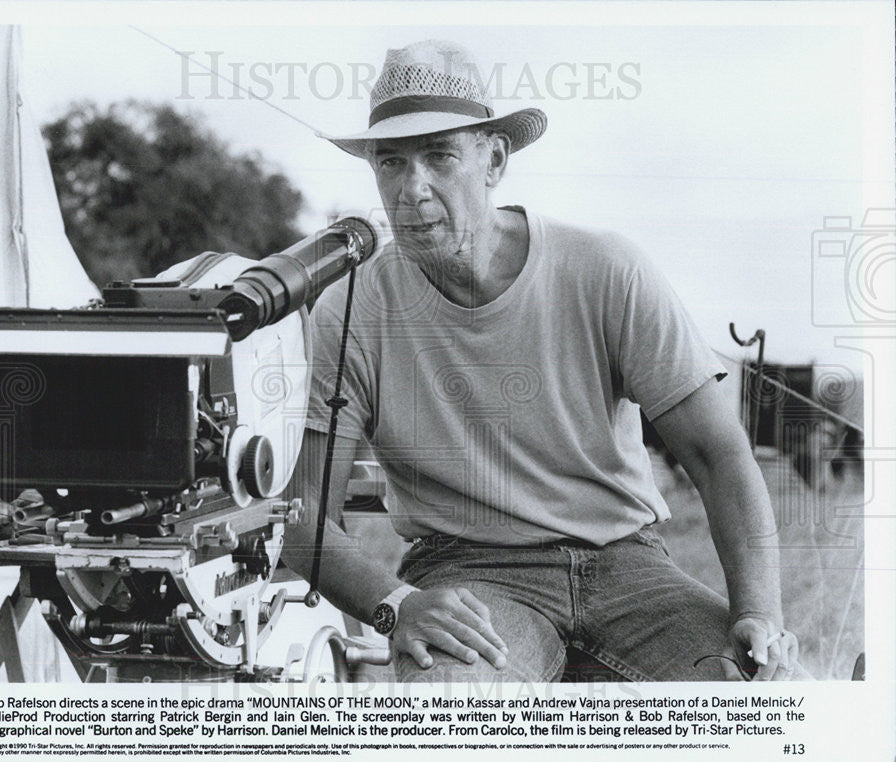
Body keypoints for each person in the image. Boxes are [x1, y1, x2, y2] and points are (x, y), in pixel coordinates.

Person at [282, 39, 801, 682]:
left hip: (629, 566)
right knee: (447, 714)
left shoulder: (607, 268)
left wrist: (759, 613)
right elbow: (302, 519)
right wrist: (395, 606)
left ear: (494, 160)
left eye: (439, 156)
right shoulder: (350, 308)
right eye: (390, 163)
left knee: (779, 706)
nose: (412, 188)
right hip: (469, 574)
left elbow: (718, 456)